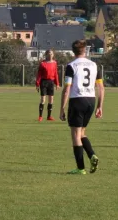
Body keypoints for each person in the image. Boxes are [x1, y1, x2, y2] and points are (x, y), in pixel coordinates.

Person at [59, 40, 104, 175]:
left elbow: (67, 88)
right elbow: (101, 88)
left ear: (73, 51)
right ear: (85, 50)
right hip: (90, 100)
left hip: (77, 100)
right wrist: (99, 106)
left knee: (75, 135)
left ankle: (80, 168)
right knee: (82, 133)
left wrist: (62, 108)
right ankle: (92, 156)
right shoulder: (94, 65)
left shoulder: (71, 66)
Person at [35, 49, 60, 121]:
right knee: (43, 99)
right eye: (49, 53)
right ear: (46, 54)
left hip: (51, 82)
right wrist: (37, 83)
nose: (50, 55)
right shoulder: (42, 63)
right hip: (43, 82)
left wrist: (57, 83)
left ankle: (49, 116)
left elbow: (55, 74)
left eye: (51, 53)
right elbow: (39, 74)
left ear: (53, 55)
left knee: (51, 100)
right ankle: (40, 116)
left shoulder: (54, 63)